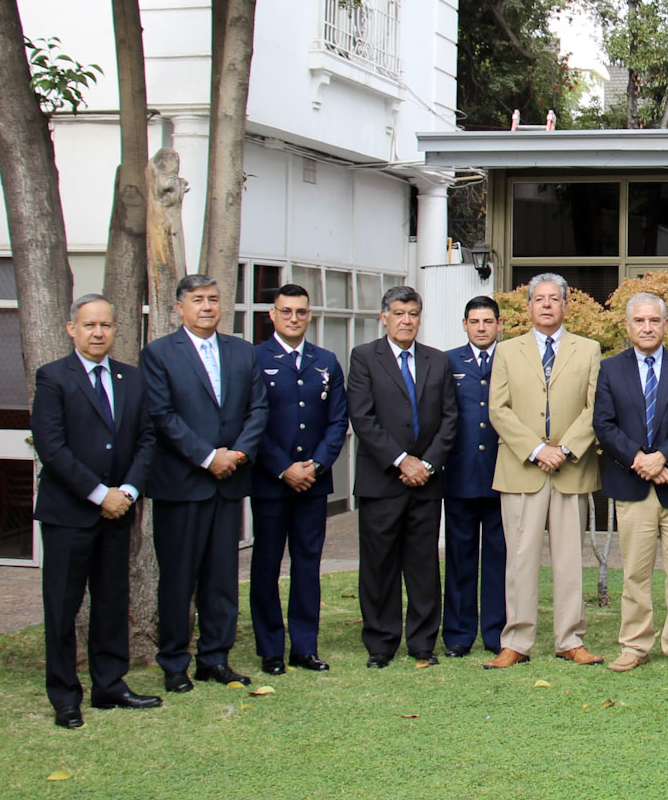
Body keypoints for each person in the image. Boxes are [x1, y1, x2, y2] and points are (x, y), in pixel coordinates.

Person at [30, 294, 159, 728]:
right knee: (62, 606)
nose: (98, 333)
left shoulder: (131, 379)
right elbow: (52, 448)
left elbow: (147, 439)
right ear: (72, 329)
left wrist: (126, 490)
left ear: (115, 329)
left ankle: (111, 685)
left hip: (119, 510)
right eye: (89, 326)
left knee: (110, 601)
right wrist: (97, 493)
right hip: (70, 513)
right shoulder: (52, 378)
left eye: (105, 325)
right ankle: (65, 695)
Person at [141, 274, 269, 692]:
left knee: (222, 578)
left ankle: (215, 657)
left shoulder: (241, 352)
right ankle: (175, 662)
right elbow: (162, 416)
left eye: (214, 299)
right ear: (180, 308)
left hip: (229, 482)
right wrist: (207, 456)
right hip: (181, 485)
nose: (208, 307)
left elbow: (258, 409)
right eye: (198, 300)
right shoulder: (159, 354)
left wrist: (235, 455)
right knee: (178, 579)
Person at [484, 273, 605, 669]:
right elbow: (497, 409)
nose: (547, 305)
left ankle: (570, 638)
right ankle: (516, 641)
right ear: (529, 306)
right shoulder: (507, 351)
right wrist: (536, 449)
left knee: (570, 559)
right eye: (540, 299)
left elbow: (594, 408)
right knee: (520, 559)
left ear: (566, 305)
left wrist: (564, 449)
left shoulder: (588, 350)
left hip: (570, 469)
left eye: (555, 299)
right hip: (522, 469)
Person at [595, 293, 668, 673]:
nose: (647, 328)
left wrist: (664, 458)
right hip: (632, 486)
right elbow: (604, 425)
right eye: (640, 321)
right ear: (628, 327)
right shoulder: (610, 369)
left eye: (654, 321)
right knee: (635, 572)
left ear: (666, 325)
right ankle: (634, 644)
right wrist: (641, 461)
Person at [346, 286, 458, 668]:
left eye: (412, 313)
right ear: (384, 317)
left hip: (426, 482)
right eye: (398, 313)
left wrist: (425, 464)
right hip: (382, 480)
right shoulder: (364, 358)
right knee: (379, 566)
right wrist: (400, 461)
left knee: (424, 565)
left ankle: (423, 642)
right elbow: (362, 418)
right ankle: (380, 643)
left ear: (420, 318)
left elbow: (449, 420)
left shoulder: (437, 361)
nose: (406, 320)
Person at [249, 283, 349, 675]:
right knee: (267, 564)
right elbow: (252, 421)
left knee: (308, 565)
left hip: (313, 482)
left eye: (301, 312)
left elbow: (338, 420)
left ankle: (304, 646)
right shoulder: (255, 358)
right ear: (272, 315)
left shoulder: (326, 361)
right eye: (286, 311)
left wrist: (317, 465)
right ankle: (271, 647)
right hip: (271, 481)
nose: (294, 318)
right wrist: (282, 467)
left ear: (310, 316)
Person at [442, 296, 507, 657]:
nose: (481, 328)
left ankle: (496, 631)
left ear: (500, 325)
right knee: (459, 556)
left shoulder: (512, 358)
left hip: (503, 475)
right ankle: (457, 633)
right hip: (460, 475)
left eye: (488, 321)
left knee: (499, 557)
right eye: (474, 321)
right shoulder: (447, 361)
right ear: (464, 324)